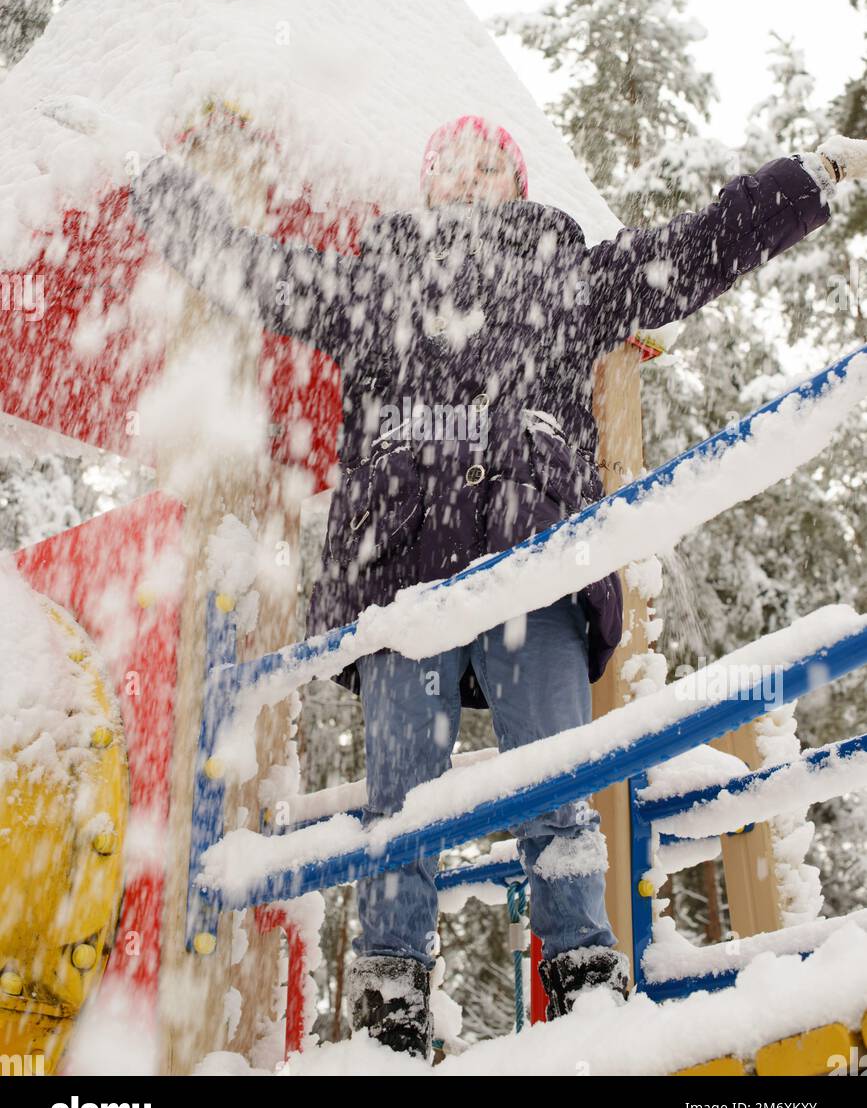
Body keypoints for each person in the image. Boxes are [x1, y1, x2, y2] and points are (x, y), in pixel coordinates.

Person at [130, 116, 867, 1060]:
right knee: (399, 804)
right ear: (427, 186)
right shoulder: (376, 284)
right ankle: (390, 992)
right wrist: (152, 185)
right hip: (400, 582)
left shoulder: (566, 276)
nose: (468, 179)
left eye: (488, 166)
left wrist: (810, 176)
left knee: (557, 784)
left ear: (516, 188)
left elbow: (698, 247)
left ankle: (583, 972)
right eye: (450, 165)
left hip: (533, 570)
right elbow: (252, 268)